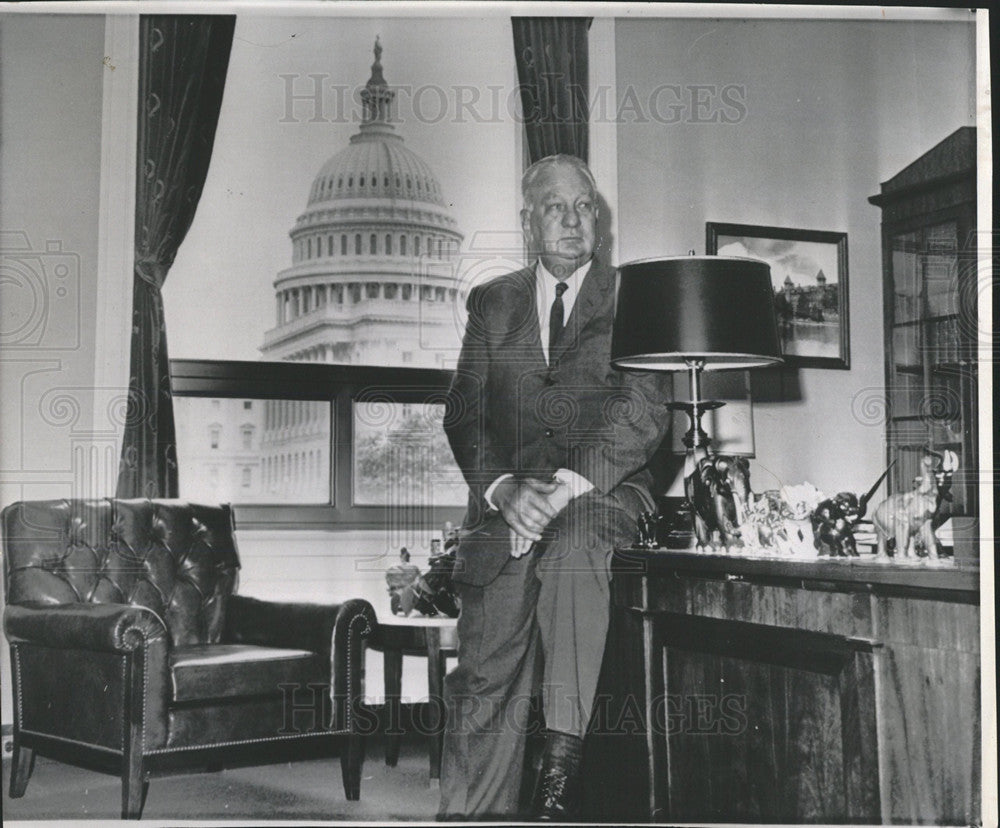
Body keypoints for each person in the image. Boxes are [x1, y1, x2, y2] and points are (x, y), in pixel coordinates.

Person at [439, 154, 672, 820]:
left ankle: (558, 776)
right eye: (555, 207)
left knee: (574, 550)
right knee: (484, 673)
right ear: (527, 221)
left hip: (604, 493)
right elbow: (463, 410)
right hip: (509, 508)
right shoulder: (493, 302)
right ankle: (467, 815)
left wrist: (566, 486)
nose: (573, 221)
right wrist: (507, 488)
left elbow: (645, 409)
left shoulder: (635, 298)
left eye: (585, 207)